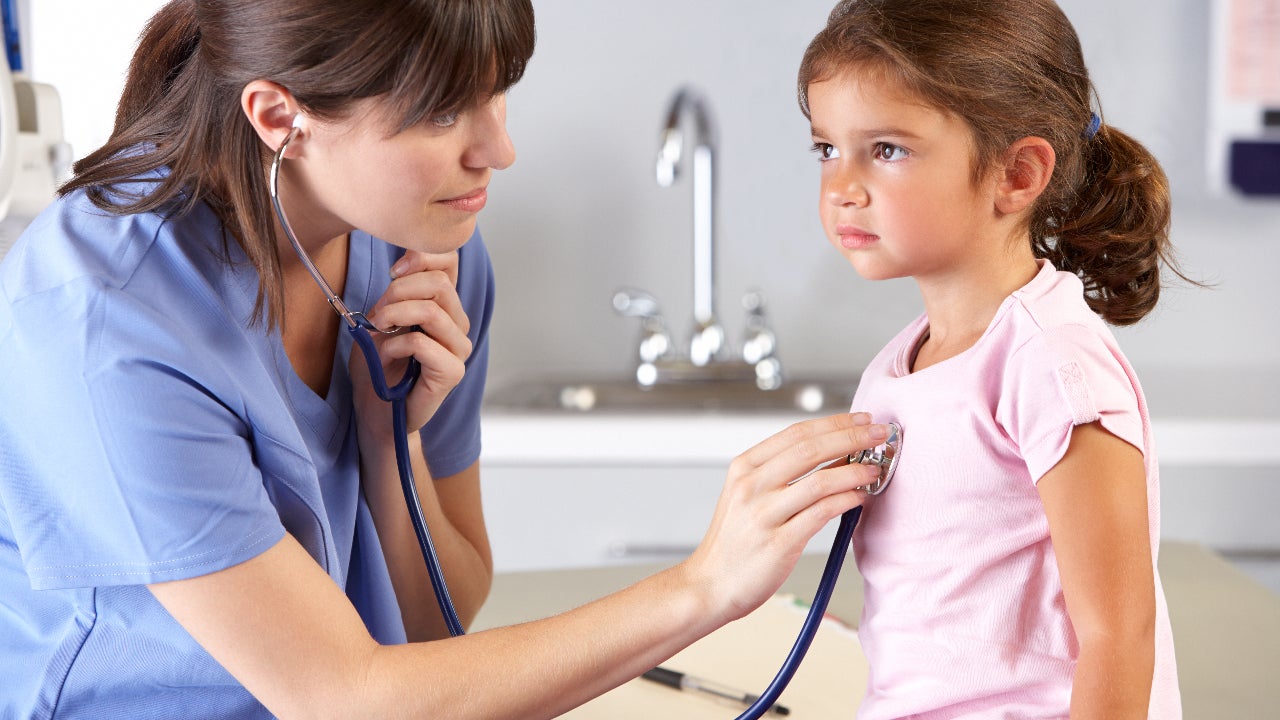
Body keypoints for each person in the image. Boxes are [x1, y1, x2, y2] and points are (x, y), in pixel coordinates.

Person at [0, 1, 891, 717]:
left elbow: (436, 630)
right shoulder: (108, 328)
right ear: (281, 117)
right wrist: (705, 587)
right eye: (439, 112)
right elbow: (343, 696)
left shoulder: (427, 253)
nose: (498, 149)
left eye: (498, 91)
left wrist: (392, 443)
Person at [797, 0, 1186, 717]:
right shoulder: (900, 364)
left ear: (1017, 175)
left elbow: (1119, 635)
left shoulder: (1052, 365)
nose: (841, 187)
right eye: (826, 148)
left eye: (887, 149)